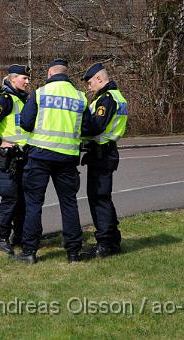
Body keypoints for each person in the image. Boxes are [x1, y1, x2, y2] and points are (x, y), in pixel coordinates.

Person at [18, 59, 102, 263]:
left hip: (40, 156)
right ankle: (73, 252)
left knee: (34, 204)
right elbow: (89, 128)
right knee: (69, 204)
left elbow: (26, 123)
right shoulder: (80, 97)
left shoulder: (40, 93)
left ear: (49, 74)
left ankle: (29, 251)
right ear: (66, 74)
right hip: (67, 158)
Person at [0, 64, 31, 255]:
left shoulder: (22, 99)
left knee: (23, 199)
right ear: (12, 79)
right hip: (9, 158)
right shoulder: (5, 99)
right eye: (23, 78)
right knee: (10, 198)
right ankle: (2, 237)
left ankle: (19, 236)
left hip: (24, 155)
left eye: (27, 79)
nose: (27, 82)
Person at [79, 63, 128, 259]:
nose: (89, 87)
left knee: (98, 199)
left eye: (90, 83)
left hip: (102, 153)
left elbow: (96, 127)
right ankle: (113, 240)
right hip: (106, 152)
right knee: (104, 198)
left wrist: (78, 128)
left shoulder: (106, 99)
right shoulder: (116, 96)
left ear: (100, 79)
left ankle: (105, 243)